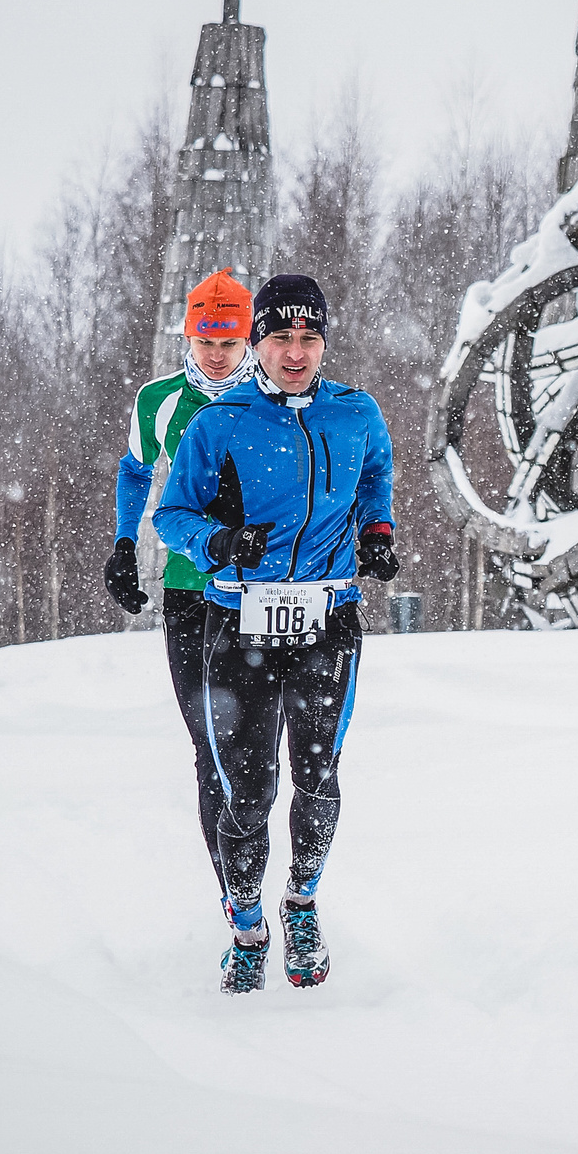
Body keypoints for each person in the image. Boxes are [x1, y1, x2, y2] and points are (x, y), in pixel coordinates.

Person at [154, 273, 398, 994]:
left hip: (328, 618)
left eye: (309, 337)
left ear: (324, 340)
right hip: (239, 623)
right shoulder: (220, 423)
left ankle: (300, 903)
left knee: (319, 778)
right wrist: (218, 541)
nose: (295, 352)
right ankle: (245, 925)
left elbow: (374, 475)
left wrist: (377, 531)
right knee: (248, 792)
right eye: (281, 337)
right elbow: (173, 515)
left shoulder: (355, 414)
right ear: (257, 341)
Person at [105, 270, 258, 622]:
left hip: (262, 578)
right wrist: (124, 545)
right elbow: (135, 469)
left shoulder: (276, 398)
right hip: (188, 578)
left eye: (229, 343)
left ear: (248, 340)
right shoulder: (158, 399)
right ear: (189, 335)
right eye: (204, 342)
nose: (215, 356)